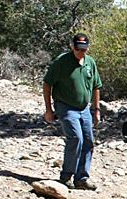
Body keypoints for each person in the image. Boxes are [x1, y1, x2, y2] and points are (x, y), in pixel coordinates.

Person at [43, 33, 102, 190]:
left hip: (84, 109)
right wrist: (49, 109)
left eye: (83, 49)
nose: (80, 52)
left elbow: (96, 86)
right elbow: (47, 83)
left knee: (88, 141)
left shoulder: (90, 63)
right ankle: (66, 176)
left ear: (88, 47)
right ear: (72, 46)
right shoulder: (62, 62)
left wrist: (96, 109)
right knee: (76, 138)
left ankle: (82, 178)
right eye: (77, 49)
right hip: (66, 106)